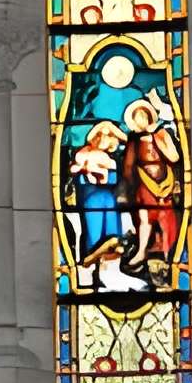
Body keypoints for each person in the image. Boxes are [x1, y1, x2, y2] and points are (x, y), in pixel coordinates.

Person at [119, 95, 181, 275]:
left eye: (143, 116)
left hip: (165, 181)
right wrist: (128, 186)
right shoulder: (134, 140)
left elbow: (174, 157)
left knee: (166, 215)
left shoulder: (160, 134)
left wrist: (160, 137)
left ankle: (171, 254)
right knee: (144, 217)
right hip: (143, 182)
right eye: (137, 117)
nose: (141, 120)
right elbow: (129, 165)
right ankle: (141, 251)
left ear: (149, 117)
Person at [67, 120, 126, 282]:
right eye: (99, 134)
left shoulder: (112, 160)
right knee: (95, 209)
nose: (102, 138)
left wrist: (103, 174)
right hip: (90, 196)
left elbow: (112, 179)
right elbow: (77, 174)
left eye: (107, 135)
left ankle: (112, 242)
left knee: (110, 204)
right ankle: (93, 251)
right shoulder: (83, 153)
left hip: (107, 196)